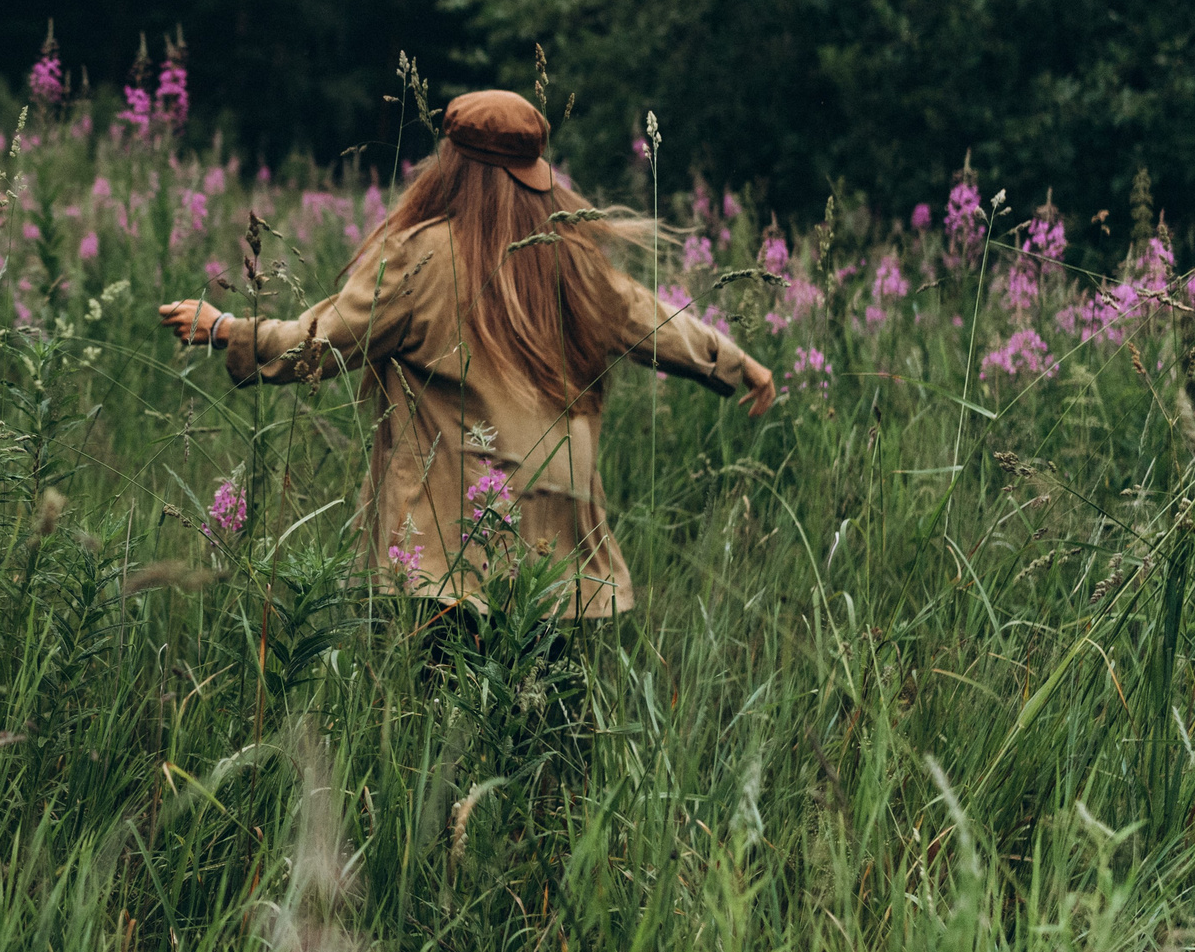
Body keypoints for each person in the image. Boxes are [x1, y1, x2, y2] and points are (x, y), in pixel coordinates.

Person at [157, 89, 774, 623]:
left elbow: (319, 343)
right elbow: (652, 320)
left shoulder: (419, 257)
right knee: (540, 730)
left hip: (455, 537)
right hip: (556, 530)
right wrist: (735, 363)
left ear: (451, 167)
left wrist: (225, 328)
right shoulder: (571, 255)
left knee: (441, 729)